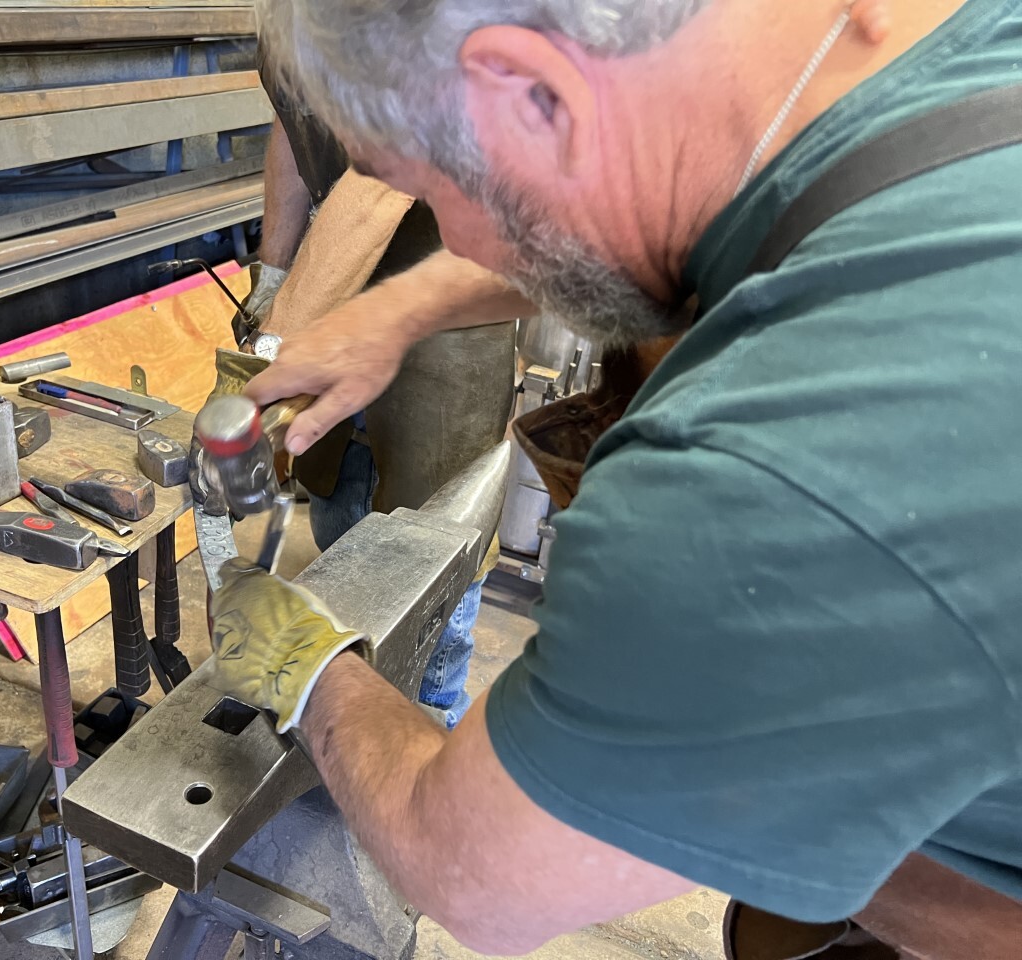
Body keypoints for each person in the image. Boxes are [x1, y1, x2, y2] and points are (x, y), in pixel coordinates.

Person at [211, 1, 1022, 957]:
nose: (459, 243)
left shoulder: (757, 475)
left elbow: (474, 874)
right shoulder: (923, 47)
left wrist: (307, 671)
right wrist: (398, 310)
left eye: (426, 188)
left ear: (533, 92)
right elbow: (683, 201)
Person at [230, 49, 515, 727]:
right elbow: (294, 123)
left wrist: (276, 343)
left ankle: (432, 720)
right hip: (336, 275)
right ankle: (352, 701)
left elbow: (377, 184)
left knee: (436, 548)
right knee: (337, 512)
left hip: (453, 299)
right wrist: (274, 273)